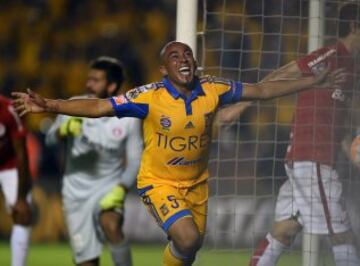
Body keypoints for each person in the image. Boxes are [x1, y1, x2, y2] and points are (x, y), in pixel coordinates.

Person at [12, 40, 346, 266]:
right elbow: (100, 105)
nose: (183, 60)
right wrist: (51, 105)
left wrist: (311, 83)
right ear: (163, 70)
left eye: (187, 55)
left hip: (197, 185)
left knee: (190, 247)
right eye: (175, 57)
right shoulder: (149, 97)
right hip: (159, 183)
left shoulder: (214, 89)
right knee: (186, 238)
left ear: (195, 62)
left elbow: (260, 90)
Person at [246, 3, 360, 266]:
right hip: (312, 159)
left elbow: (338, 126)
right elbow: (281, 74)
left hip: (310, 159)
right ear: (354, 26)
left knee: (283, 231)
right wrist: (242, 105)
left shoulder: (351, 69)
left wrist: (350, 152)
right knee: (342, 236)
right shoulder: (330, 55)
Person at [45, 57, 143, 266]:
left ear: (112, 86)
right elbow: (49, 139)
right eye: (89, 79)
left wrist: (122, 188)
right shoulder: (75, 105)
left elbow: (135, 159)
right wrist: (62, 131)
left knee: (112, 225)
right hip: (75, 193)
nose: (88, 84)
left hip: (108, 187)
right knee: (87, 262)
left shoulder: (129, 116)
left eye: (95, 80)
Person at [0, 95, 32, 266]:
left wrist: (21, 198)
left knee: (23, 213)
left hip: (8, 165)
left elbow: (21, 153)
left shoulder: (8, 109)